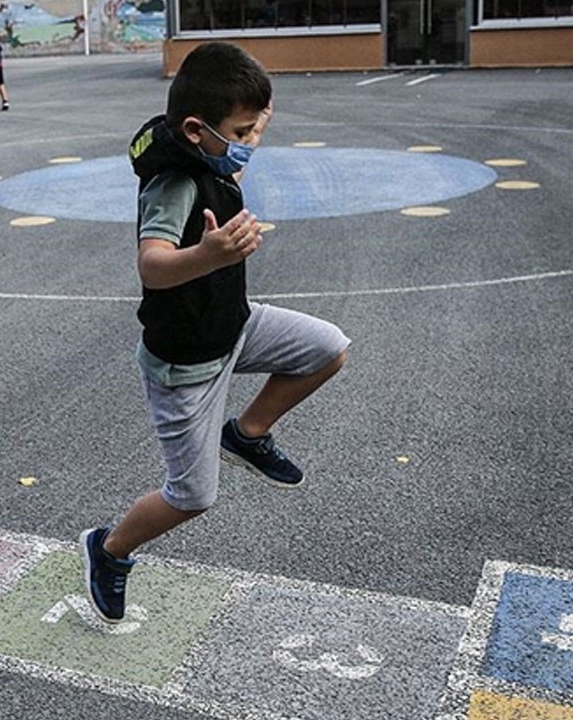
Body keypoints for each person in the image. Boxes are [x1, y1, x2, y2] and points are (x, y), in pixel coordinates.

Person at [80, 42, 349, 624]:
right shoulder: (172, 184)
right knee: (193, 496)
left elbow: (236, 154)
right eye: (244, 131)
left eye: (258, 128)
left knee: (328, 348)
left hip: (234, 326)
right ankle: (109, 550)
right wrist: (208, 254)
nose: (252, 142)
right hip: (186, 366)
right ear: (198, 131)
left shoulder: (209, 152)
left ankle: (248, 434)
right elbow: (152, 265)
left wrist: (258, 119)